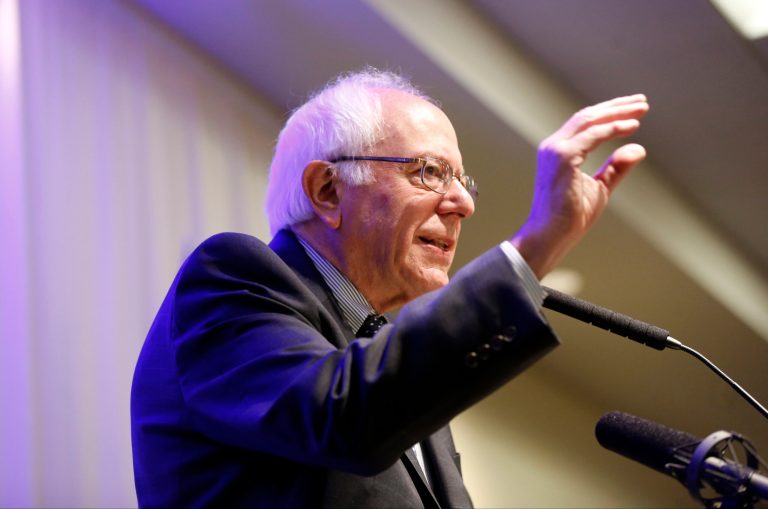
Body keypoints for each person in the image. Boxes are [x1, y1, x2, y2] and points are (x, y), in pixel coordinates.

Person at [131, 69, 648, 508]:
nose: (462, 205)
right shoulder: (233, 278)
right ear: (328, 190)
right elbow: (345, 416)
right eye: (429, 172)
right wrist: (533, 248)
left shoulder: (395, 371)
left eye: (462, 182)